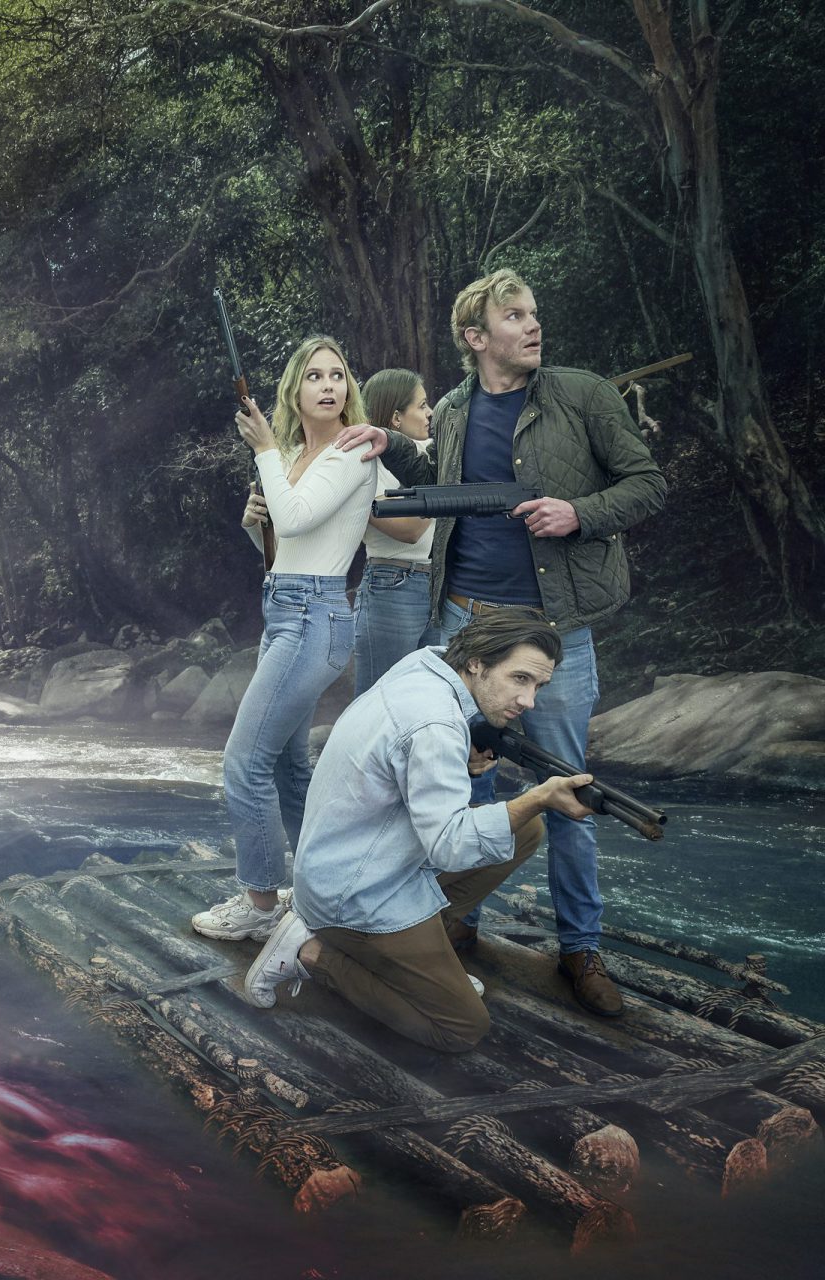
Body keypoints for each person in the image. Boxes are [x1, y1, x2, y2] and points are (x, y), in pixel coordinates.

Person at [336, 270, 665, 1017]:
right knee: (466, 779)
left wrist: (579, 513)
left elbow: (647, 483)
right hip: (461, 625)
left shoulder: (582, 395)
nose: (532, 325)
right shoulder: (451, 409)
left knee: (568, 791)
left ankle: (581, 949)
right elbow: (436, 479)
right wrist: (389, 438)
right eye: (513, 316)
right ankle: (459, 922)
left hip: (553, 633)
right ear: (476, 338)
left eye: (534, 314)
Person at [241, 607, 597, 1052]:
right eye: (520, 679)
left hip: (348, 861)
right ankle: (308, 952)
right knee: (461, 1028)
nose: (529, 702)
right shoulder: (436, 725)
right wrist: (539, 796)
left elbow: (401, 768)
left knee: (526, 831)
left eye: (538, 686)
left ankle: (421, 957)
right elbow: (450, 848)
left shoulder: (424, 668)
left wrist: (463, 766)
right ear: (477, 663)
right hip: (355, 895)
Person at [192, 337, 377, 943]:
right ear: (294, 389)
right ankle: (322, 889)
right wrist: (255, 528)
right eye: (316, 375)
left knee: (244, 764)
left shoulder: (352, 454)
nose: (330, 386)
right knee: (292, 768)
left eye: (339, 375)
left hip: (315, 618)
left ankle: (261, 903)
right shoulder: (297, 454)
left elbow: (298, 520)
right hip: (286, 610)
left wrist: (266, 451)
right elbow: (284, 550)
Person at [352, 369, 436, 695]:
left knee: (429, 701)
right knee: (380, 701)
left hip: (441, 587)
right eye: (422, 405)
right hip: (392, 585)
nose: (430, 413)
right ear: (396, 418)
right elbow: (409, 529)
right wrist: (443, 488)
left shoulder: (432, 453)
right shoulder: (366, 461)